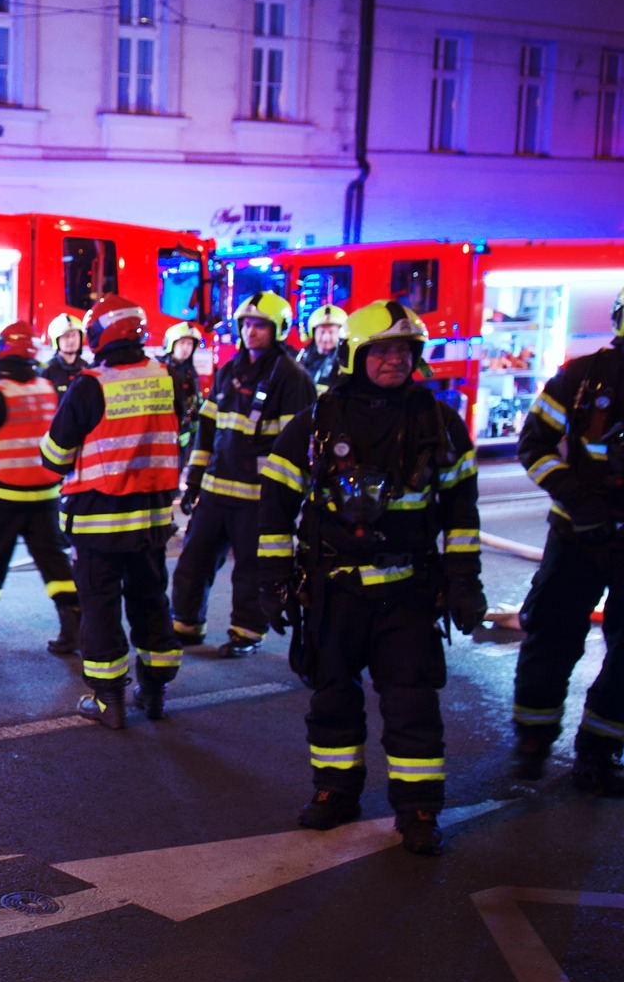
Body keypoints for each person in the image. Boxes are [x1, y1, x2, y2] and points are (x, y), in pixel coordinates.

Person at [257, 301, 483, 854]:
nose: (393, 361)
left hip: (407, 589)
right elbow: (276, 501)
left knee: (412, 703)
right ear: (357, 355)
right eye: (381, 350)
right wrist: (272, 578)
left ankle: (419, 807)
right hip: (335, 590)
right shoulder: (319, 420)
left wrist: (464, 581)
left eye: (404, 351)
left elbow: (460, 510)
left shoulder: (438, 422)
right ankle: (335, 792)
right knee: (332, 697)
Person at [40, 295, 183, 728]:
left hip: (99, 522)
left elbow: (55, 456)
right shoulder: (166, 378)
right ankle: (154, 693)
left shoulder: (90, 385)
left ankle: (109, 702)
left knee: (101, 608)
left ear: (99, 335)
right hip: (152, 522)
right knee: (151, 601)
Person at [510, 284, 624, 795]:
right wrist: (582, 502)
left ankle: (599, 750)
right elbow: (533, 445)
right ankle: (532, 740)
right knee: (552, 635)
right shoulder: (580, 378)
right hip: (576, 536)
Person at [170, 292, 315, 658]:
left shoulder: (291, 378)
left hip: (258, 497)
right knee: (194, 558)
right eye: (247, 324)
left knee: (251, 569)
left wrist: (284, 499)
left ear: (278, 329)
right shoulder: (229, 371)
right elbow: (207, 427)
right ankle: (185, 624)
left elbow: (294, 444)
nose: (252, 332)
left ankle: (247, 632)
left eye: (260, 325)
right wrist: (196, 478)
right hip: (217, 491)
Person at [0, 321, 78, 652]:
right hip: (46, 495)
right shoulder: (47, 388)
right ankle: (74, 623)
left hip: (4, 495)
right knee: (54, 561)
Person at [159, 321, 205, 458]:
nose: (186, 348)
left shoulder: (190, 372)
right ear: (171, 344)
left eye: (190, 344)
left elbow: (196, 401)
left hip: (184, 435)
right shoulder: (160, 369)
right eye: (182, 343)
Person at [299, 304, 348, 392]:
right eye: (321, 332)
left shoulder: (345, 362)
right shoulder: (303, 356)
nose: (326, 338)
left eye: (331, 332)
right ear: (314, 334)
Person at [41, 311, 89, 400]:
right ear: (56, 340)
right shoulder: (46, 371)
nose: (71, 340)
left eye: (74, 335)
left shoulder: (86, 368)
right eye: (66, 336)